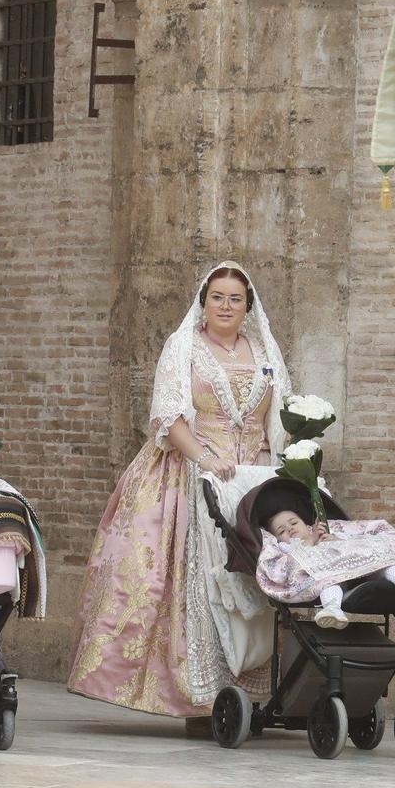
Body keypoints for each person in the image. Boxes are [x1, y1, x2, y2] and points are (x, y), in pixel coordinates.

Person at [67, 261, 293, 725]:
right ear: (203, 302)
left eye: (235, 298)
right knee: (187, 579)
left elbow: (280, 415)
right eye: (217, 297)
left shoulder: (264, 348)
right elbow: (169, 416)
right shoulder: (184, 347)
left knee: (253, 573)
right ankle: (198, 696)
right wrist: (204, 458)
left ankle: (250, 689)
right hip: (191, 472)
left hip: (251, 477)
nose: (225, 306)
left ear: (248, 306)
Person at [256, 504, 395, 628]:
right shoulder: (286, 548)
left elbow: (354, 545)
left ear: (305, 524)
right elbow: (290, 566)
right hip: (328, 577)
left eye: (293, 523)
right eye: (282, 531)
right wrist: (310, 540)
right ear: (278, 539)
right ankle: (332, 609)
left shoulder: (324, 533)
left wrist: (337, 541)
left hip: (360, 571)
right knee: (328, 583)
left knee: (382, 565)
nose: (290, 529)